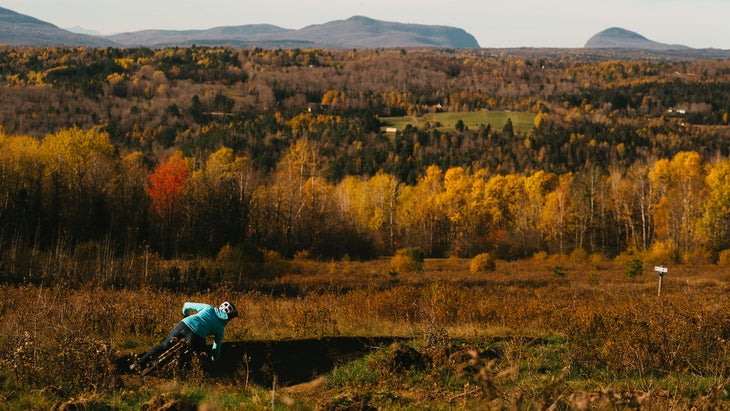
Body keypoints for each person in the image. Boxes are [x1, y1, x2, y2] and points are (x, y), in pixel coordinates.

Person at [134, 301, 238, 371]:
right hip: (197, 336)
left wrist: (185, 315)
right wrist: (213, 360)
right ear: (228, 317)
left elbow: (186, 305)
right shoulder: (220, 329)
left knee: (164, 345)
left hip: (184, 324)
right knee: (194, 357)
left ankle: (138, 364)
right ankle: (176, 371)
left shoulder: (208, 308)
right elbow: (216, 348)